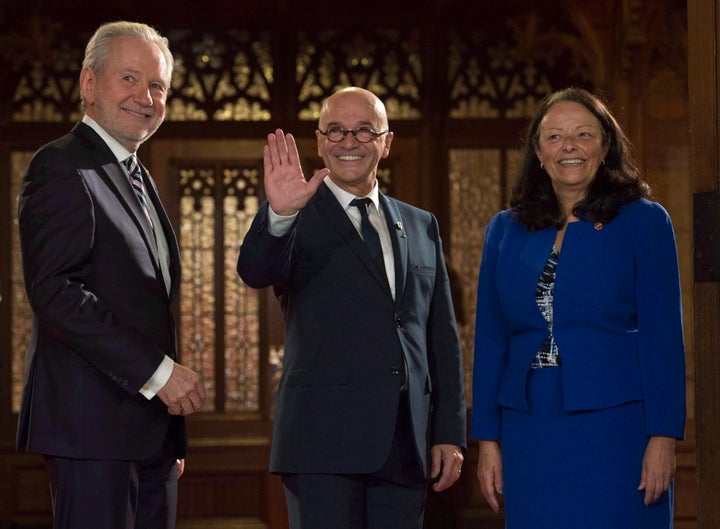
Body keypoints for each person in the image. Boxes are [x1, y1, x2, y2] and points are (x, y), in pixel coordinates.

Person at [237, 86, 467, 529]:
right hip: (323, 443)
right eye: (336, 131)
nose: (349, 142)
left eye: (364, 131)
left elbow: (441, 338)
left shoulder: (420, 224)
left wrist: (448, 434)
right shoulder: (295, 212)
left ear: (386, 141)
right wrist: (279, 215)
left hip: (406, 445)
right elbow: (254, 271)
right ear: (320, 141)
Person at [16, 21, 207, 529]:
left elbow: (144, 305)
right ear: (89, 84)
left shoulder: (136, 174)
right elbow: (56, 293)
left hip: (149, 438)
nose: (145, 96)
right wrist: (162, 375)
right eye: (129, 78)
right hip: (92, 432)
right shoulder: (61, 166)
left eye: (158, 85)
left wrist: (168, 436)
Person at [471, 87, 686, 528]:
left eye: (584, 134)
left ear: (605, 147)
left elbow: (663, 338)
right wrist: (488, 439)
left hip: (617, 426)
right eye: (554, 137)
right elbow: (491, 340)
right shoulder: (505, 230)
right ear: (538, 150)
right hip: (529, 425)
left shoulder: (644, 221)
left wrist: (663, 437)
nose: (569, 146)